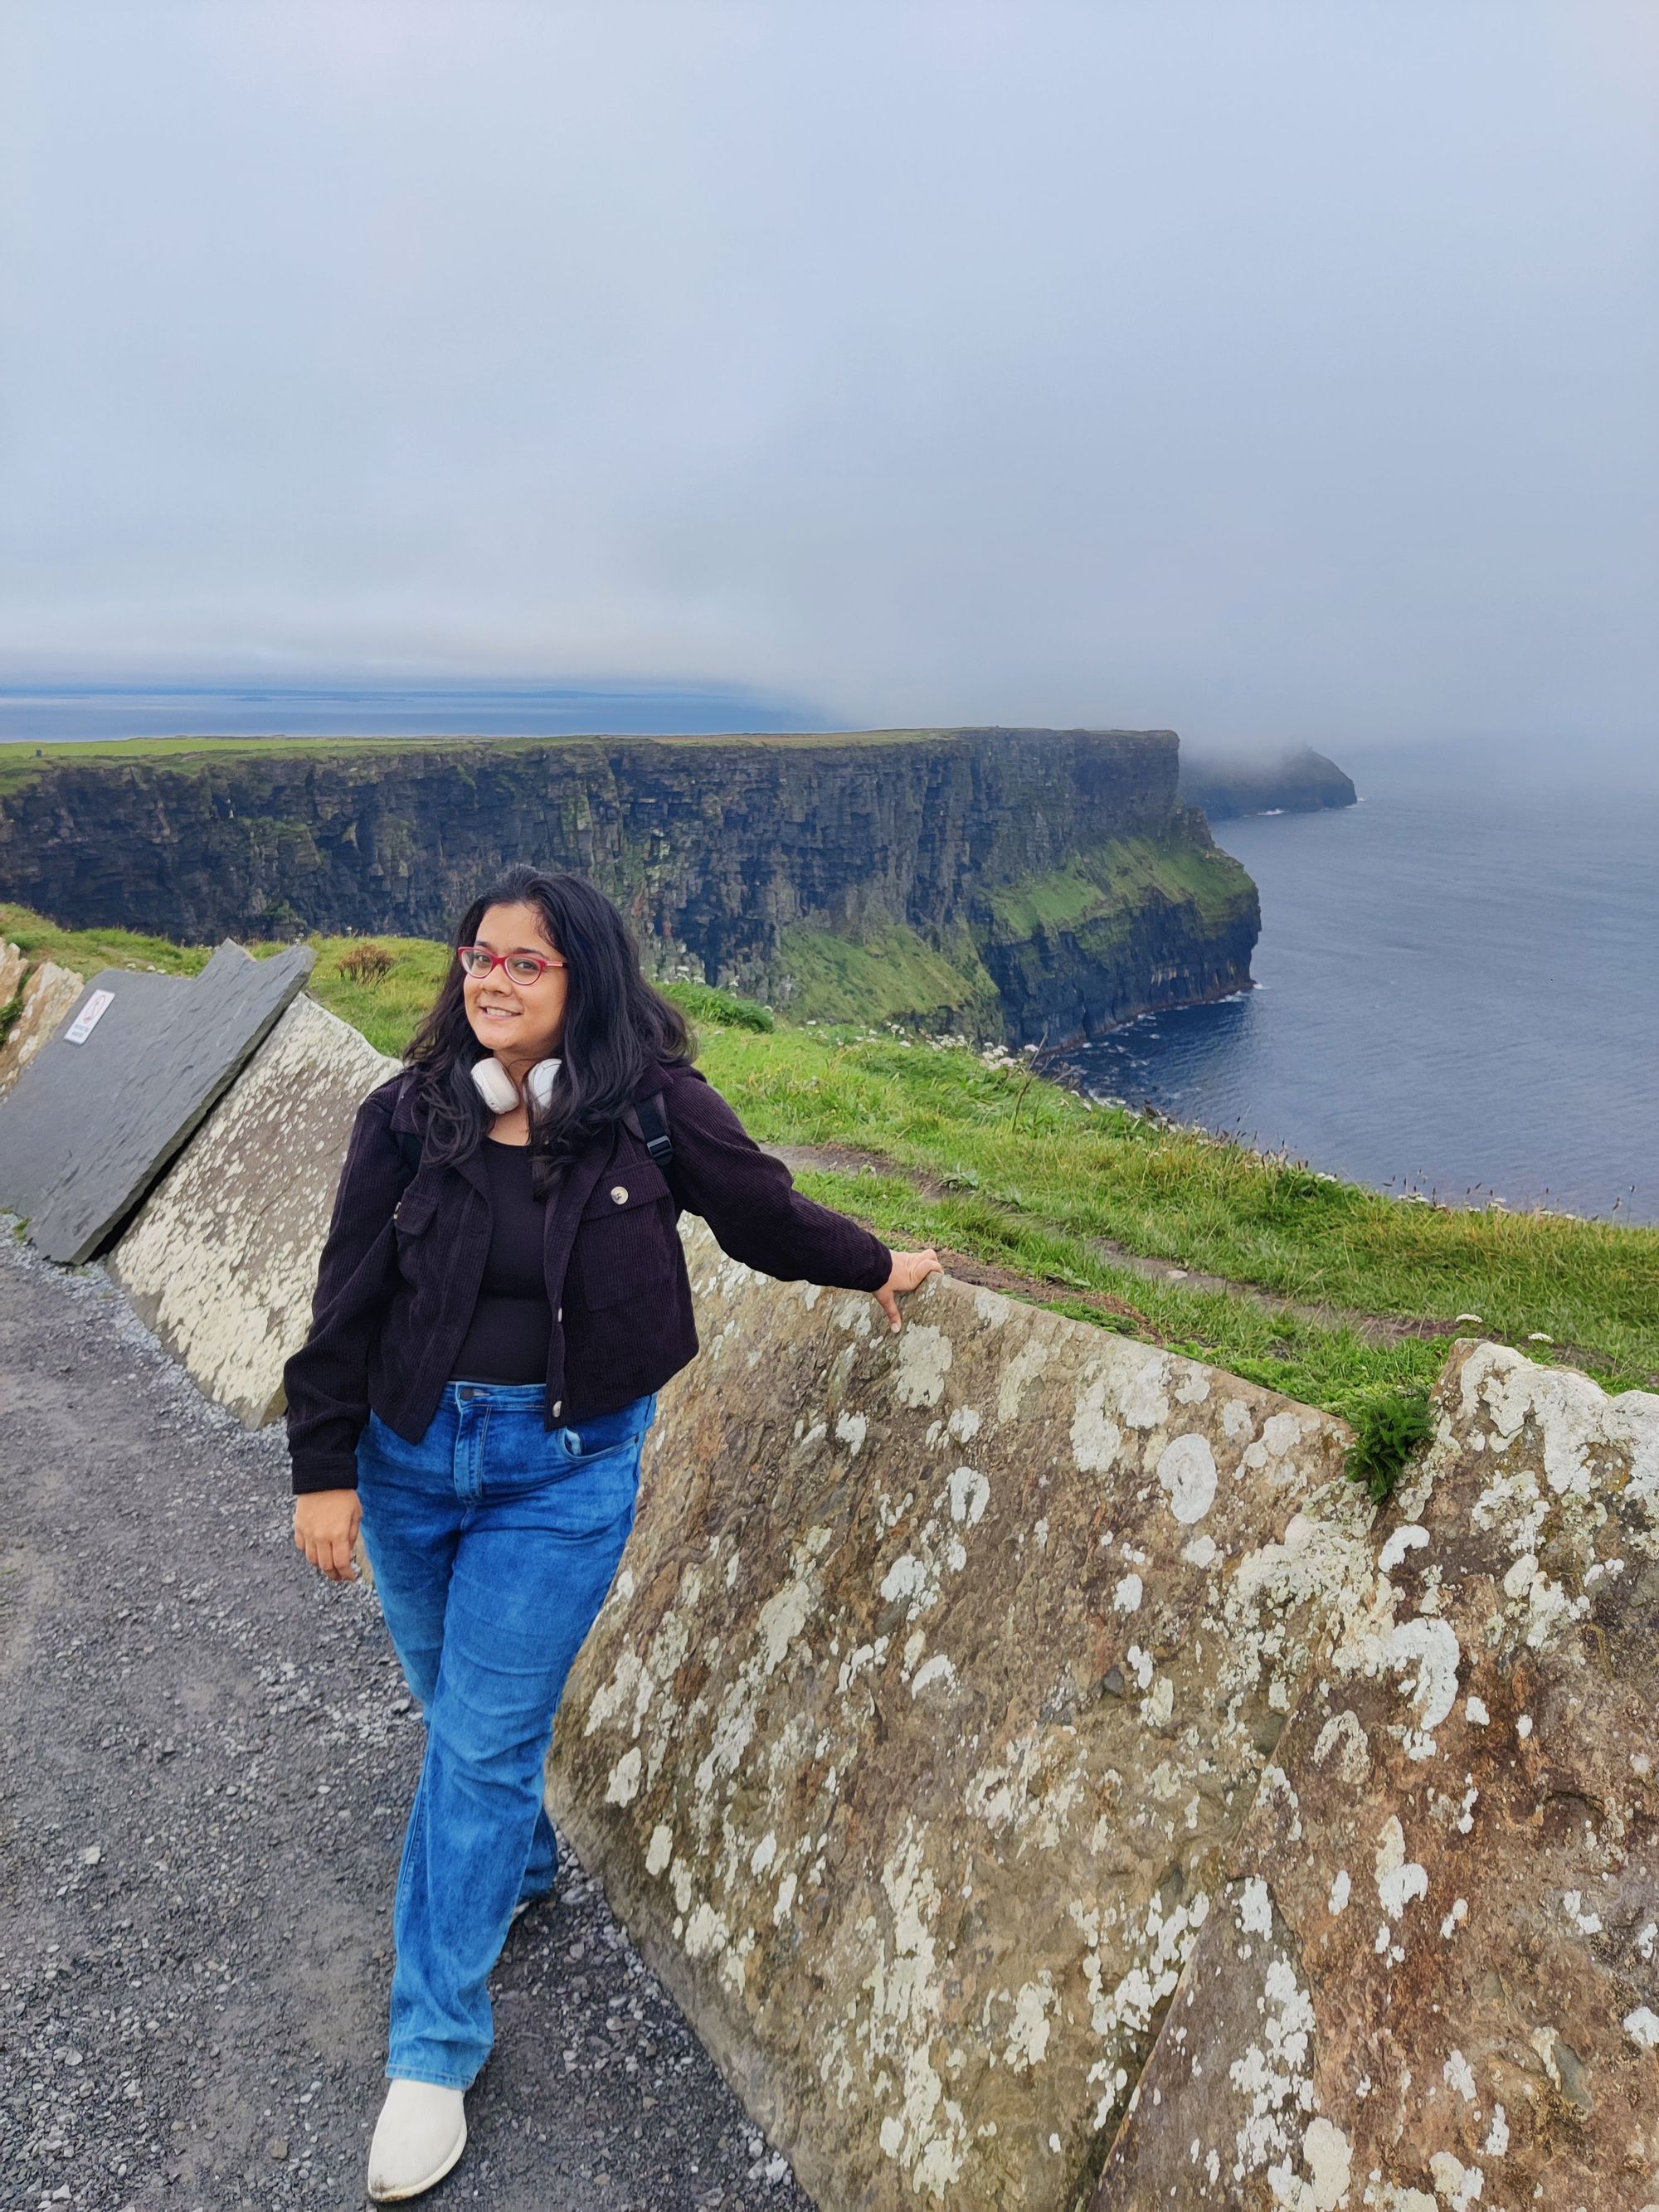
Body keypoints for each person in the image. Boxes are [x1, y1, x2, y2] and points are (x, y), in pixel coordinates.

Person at [285, 864, 941, 2202]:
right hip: (408, 1460)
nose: (492, 979)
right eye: (479, 956)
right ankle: (523, 1861)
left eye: (527, 963)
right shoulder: (408, 1118)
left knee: (474, 1743)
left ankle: (432, 2051)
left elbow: (760, 1211)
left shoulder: (648, 1112)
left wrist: (878, 1262)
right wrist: (323, 1472)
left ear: (583, 978)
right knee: (457, 1709)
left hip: (562, 1473)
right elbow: (343, 1299)